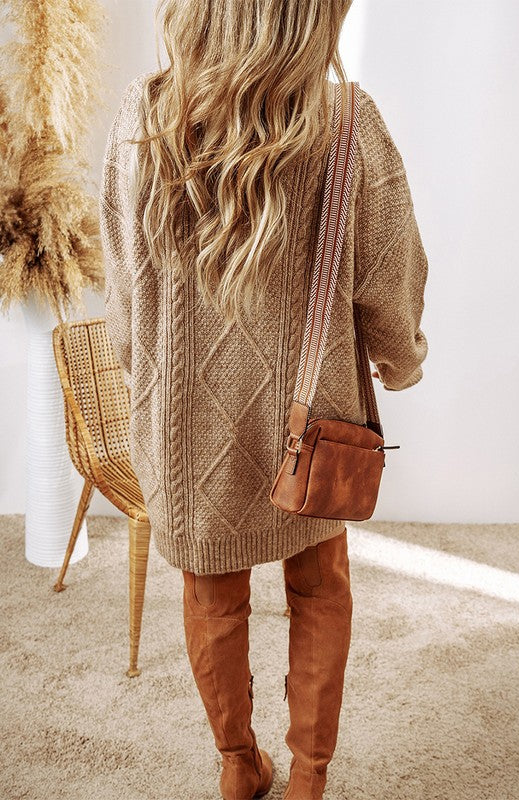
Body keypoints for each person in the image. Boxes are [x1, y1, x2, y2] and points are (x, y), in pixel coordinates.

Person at [98, 1, 429, 797]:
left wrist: (143, 375)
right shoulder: (346, 122)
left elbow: (123, 284)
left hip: (182, 422)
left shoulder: (146, 114)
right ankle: (309, 777)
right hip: (311, 420)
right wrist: (401, 360)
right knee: (320, 583)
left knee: (210, 589)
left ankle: (238, 766)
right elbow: (390, 272)